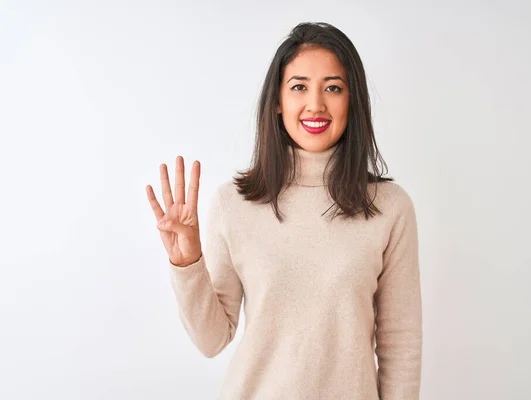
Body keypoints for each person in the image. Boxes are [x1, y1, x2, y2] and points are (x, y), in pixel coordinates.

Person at [146, 21, 422, 400]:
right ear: (277, 101)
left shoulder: (389, 208)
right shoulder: (234, 204)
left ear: (352, 100)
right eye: (299, 87)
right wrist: (188, 262)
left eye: (333, 87)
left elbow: (400, 345)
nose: (316, 104)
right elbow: (212, 341)